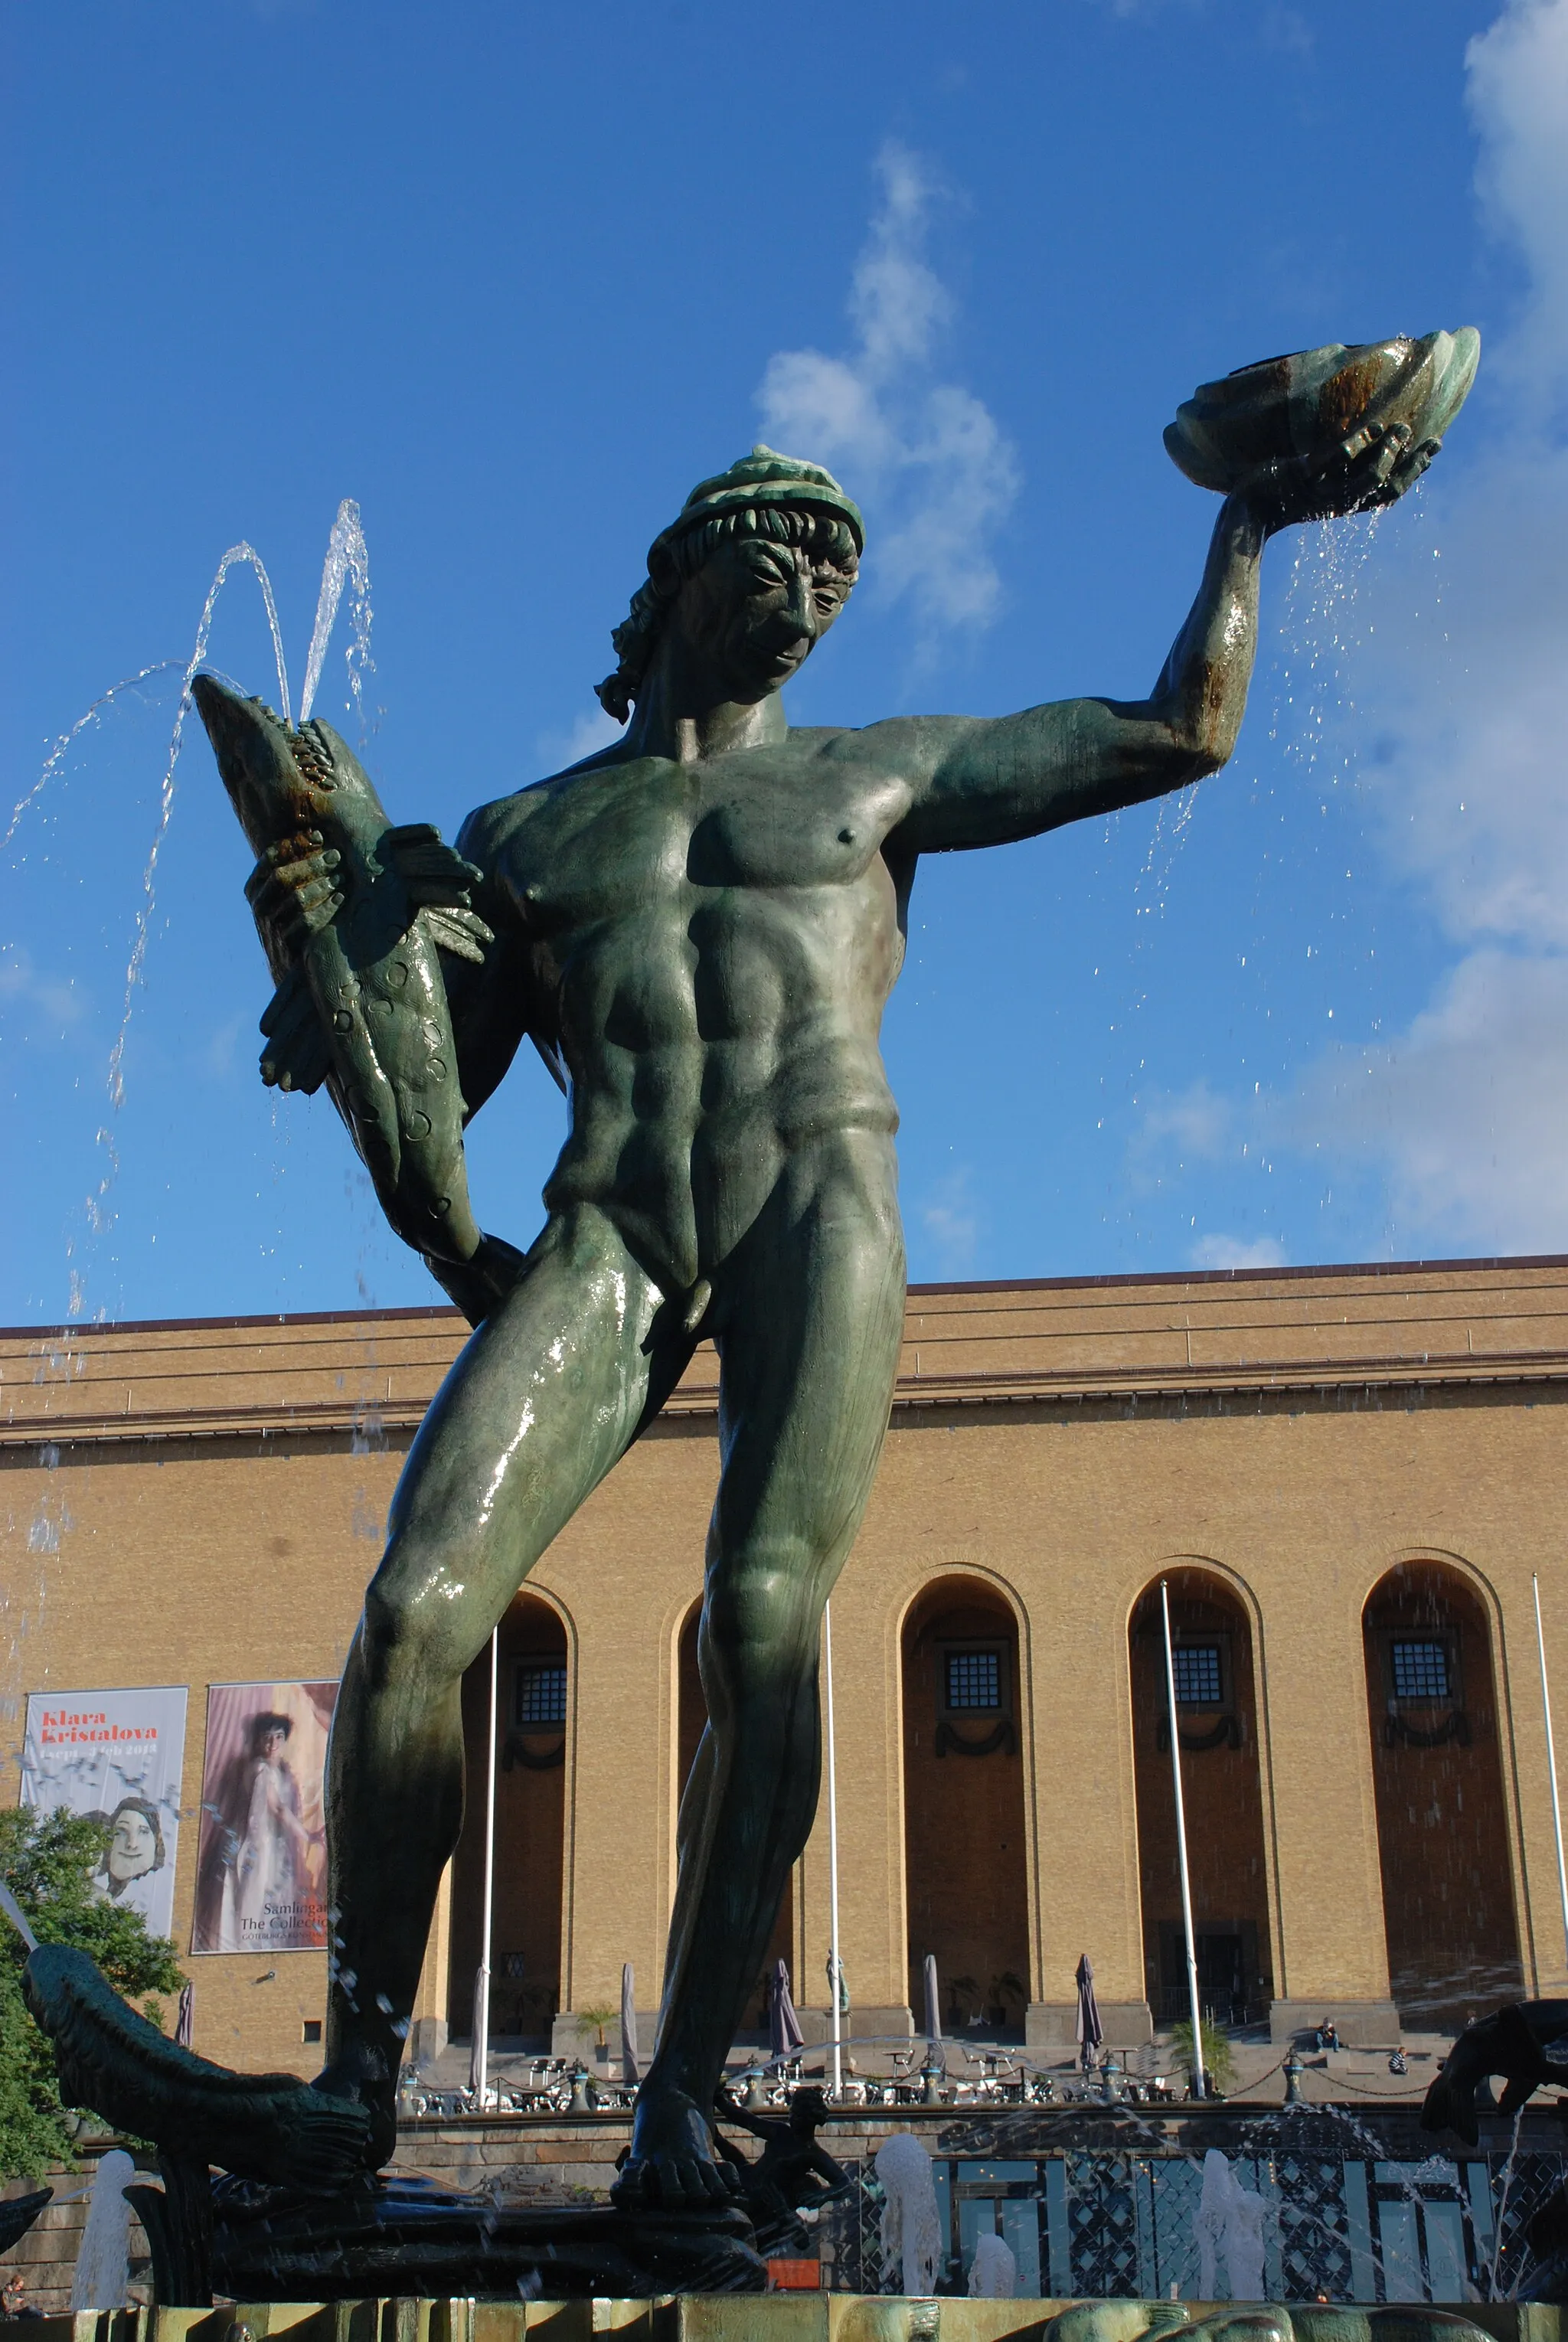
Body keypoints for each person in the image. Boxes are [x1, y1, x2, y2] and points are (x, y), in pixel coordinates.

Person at [241, 429, 1430, 2206]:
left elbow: (1177, 728)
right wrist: (336, 931)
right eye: (781, 553)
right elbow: (427, 1105)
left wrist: (1245, 525)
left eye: (838, 570)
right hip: (614, 1227)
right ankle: (353, 2085)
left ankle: (675, 2104)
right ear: (677, 576)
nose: (812, 592)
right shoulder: (525, 832)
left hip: (818, 1199)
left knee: (766, 1612)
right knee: (417, 1606)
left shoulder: (879, 775)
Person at [194, 1713, 319, 1952]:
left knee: (265, 1897)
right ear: (259, 1741)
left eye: (279, 1738)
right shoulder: (261, 1769)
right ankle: (245, 1948)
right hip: (257, 1845)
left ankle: (256, 1947)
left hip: (268, 1843)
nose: (273, 1745)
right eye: (267, 1738)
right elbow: (278, 1808)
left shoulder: (279, 1770)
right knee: (253, 1895)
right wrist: (308, 1836)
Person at [91, 1796, 165, 1920]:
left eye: (143, 1832)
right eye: (122, 1831)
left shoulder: (155, 1889)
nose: (132, 1844)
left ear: (155, 1840)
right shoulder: (95, 1888)